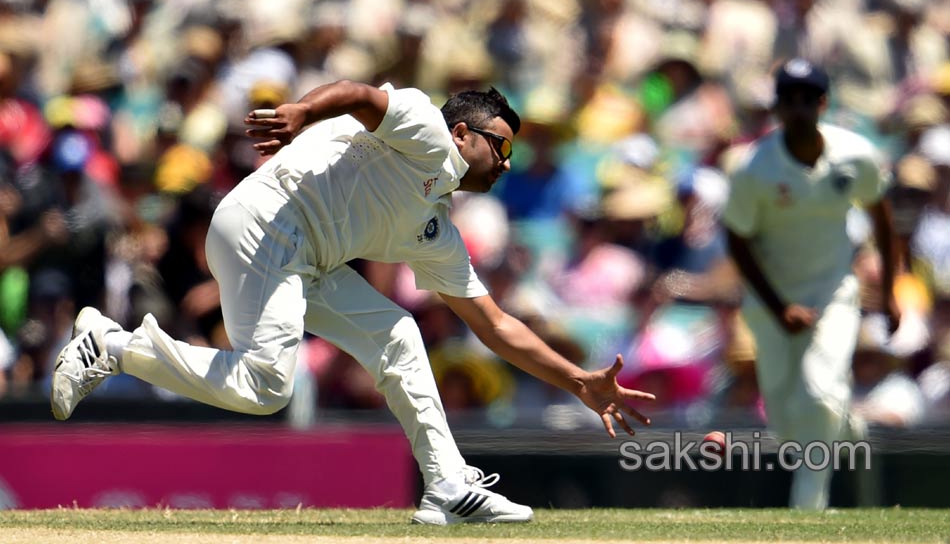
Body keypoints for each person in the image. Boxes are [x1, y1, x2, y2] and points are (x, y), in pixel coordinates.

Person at [49, 79, 655, 524]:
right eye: (500, 145)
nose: (506, 161)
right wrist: (303, 112)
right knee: (266, 389)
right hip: (265, 221)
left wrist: (579, 382)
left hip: (308, 258)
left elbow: (494, 325)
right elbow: (363, 96)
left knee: (398, 334)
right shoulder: (427, 129)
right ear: (463, 133)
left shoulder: (434, 229)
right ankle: (114, 346)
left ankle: (447, 483)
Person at [722, 59, 900, 510]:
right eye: (789, 100)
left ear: (823, 103)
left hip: (833, 292)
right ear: (777, 108)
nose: (798, 108)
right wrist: (780, 307)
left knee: (820, 392)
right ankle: (845, 427)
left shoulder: (855, 155)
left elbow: (881, 217)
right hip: (770, 304)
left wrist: (892, 293)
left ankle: (809, 508)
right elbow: (737, 242)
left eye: (808, 99)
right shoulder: (754, 170)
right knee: (787, 425)